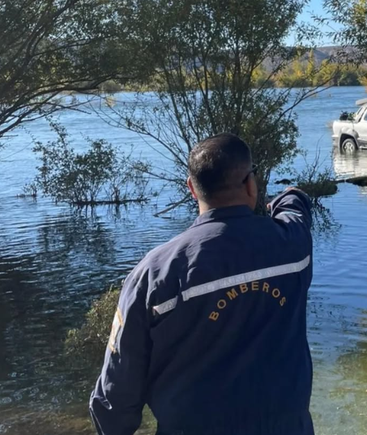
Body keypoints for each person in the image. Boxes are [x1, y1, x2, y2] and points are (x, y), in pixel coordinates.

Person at [89, 133, 314, 435]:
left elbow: (117, 390)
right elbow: (296, 209)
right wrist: (291, 194)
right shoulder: (293, 249)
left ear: (192, 189)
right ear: (250, 185)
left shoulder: (155, 273)